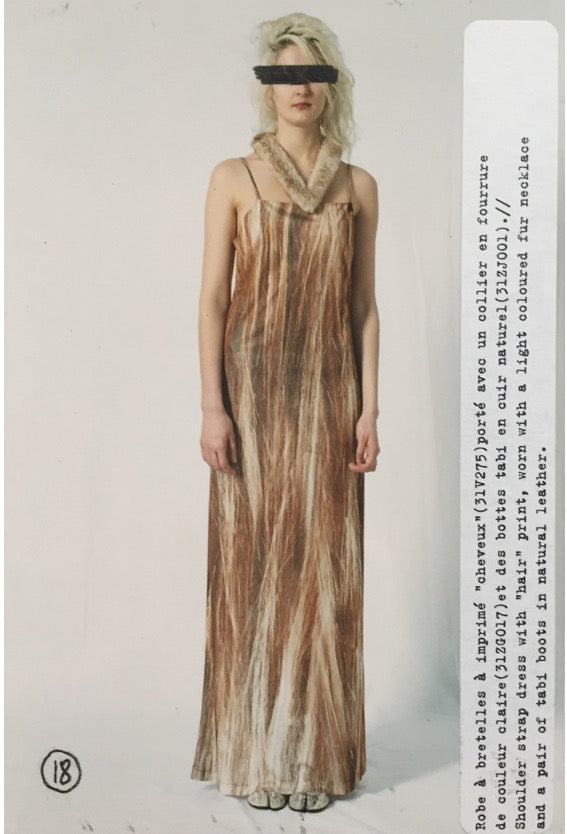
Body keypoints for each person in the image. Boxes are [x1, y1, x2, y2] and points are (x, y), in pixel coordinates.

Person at [191, 12, 380, 814]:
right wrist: (212, 406)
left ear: (329, 85)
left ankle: (315, 759)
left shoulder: (357, 186)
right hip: (252, 396)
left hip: (330, 397)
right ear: (265, 89)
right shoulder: (233, 176)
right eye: (282, 74)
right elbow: (211, 300)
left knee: (322, 574)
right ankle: (256, 757)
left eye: (311, 73)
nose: (297, 87)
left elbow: (363, 307)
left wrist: (369, 409)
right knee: (255, 572)